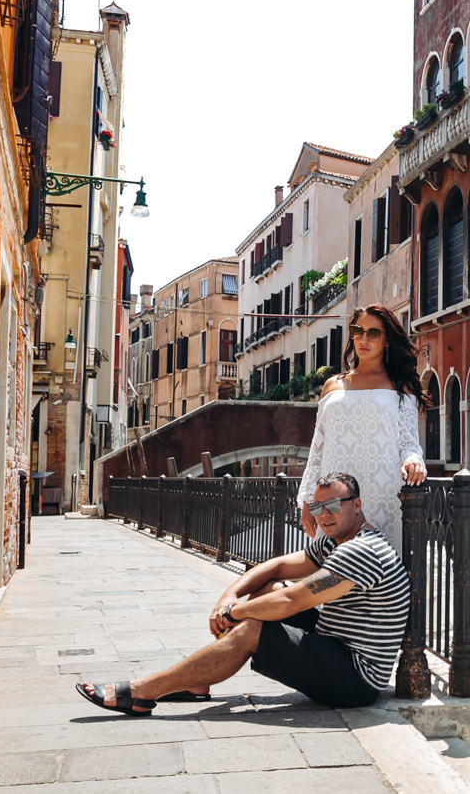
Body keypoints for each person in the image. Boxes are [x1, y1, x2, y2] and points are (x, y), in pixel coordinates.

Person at [76, 473, 409, 713]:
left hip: (355, 678)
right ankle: (197, 681)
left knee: (254, 625)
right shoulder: (337, 540)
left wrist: (235, 614)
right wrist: (228, 597)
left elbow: (296, 599)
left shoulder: (361, 552)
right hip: (334, 644)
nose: (324, 515)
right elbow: (277, 567)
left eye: (334, 504)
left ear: (357, 504)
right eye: (317, 506)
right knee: (268, 589)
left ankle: (142, 691)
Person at [301, 303, 427, 544]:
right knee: (331, 571)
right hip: (334, 500)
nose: (363, 339)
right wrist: (309, 500)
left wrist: (413, 460)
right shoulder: (332, 385)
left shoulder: (401, 386)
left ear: (387, 340)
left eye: (374, 333)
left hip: (384, 493)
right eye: (358, 331)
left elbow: (409, 442)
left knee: (379, 569)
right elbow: (317, 449)